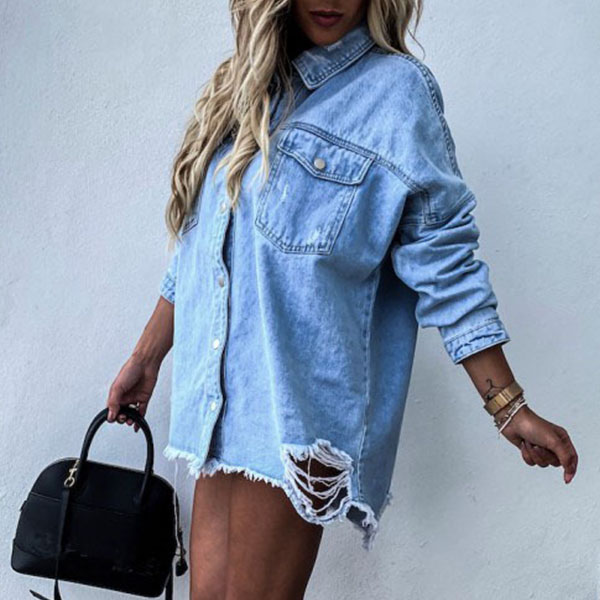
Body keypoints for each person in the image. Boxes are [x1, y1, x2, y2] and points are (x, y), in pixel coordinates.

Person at [105, 1, 579, 598]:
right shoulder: (248, 88)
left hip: (295, 417)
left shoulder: (396, 92)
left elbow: (445, 261)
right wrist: (147, 357)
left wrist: (508, 406)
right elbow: (204, 252)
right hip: (220, 408)